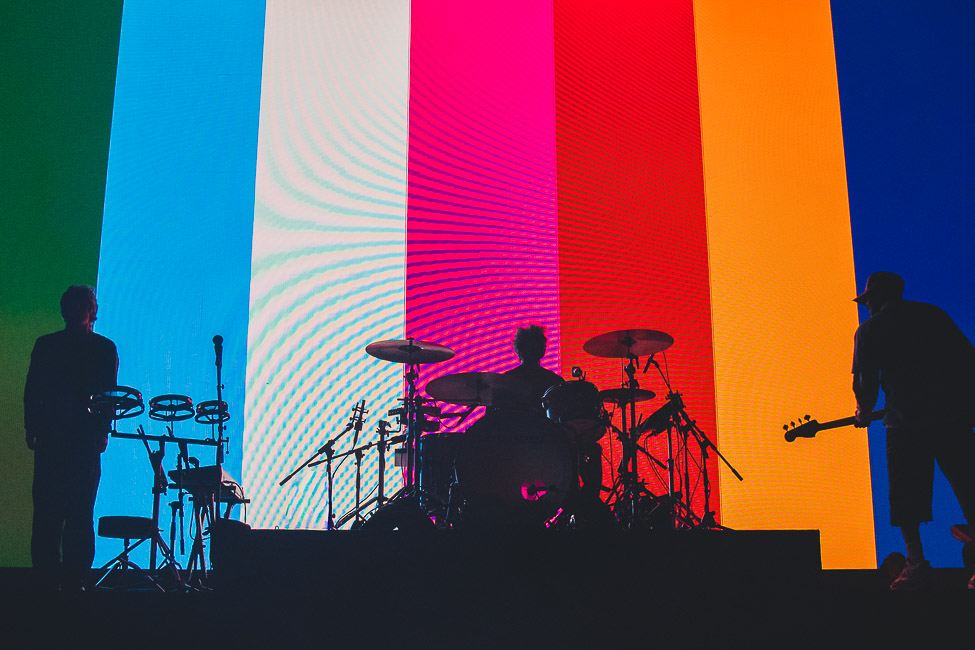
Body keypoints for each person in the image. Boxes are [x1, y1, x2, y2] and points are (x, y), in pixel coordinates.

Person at [851, 271, 975, 590]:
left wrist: (863, 412)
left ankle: (916, 563)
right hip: (952, 419)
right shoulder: (933, 315)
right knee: (969, 486)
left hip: (905, 426)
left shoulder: (870, 331)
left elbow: (865, 383)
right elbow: (967, 359)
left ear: (876, 298)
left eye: (868, 301)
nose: (867, 307)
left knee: (905, 498)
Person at [24, 285, 118, 591]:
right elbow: (33, 390)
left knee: (70, 514)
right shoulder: (102, 348)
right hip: (66, 441)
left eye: (82, 307)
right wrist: (32, 426)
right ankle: (62, 582)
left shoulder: (50, 345)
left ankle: (65, 580)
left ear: (90, 312)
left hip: (71, 441)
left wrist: (102, 431)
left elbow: (107, 397)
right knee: (57, 515)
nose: (78, 313)